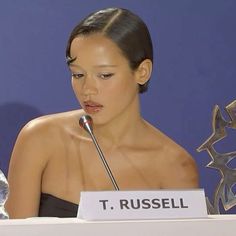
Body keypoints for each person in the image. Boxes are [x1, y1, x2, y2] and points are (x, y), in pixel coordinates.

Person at [6, 7, 199, 218]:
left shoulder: (175, 167)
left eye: (105, 75)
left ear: (142, 72)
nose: (88, 89)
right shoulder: (39, 138)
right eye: (78, 75)